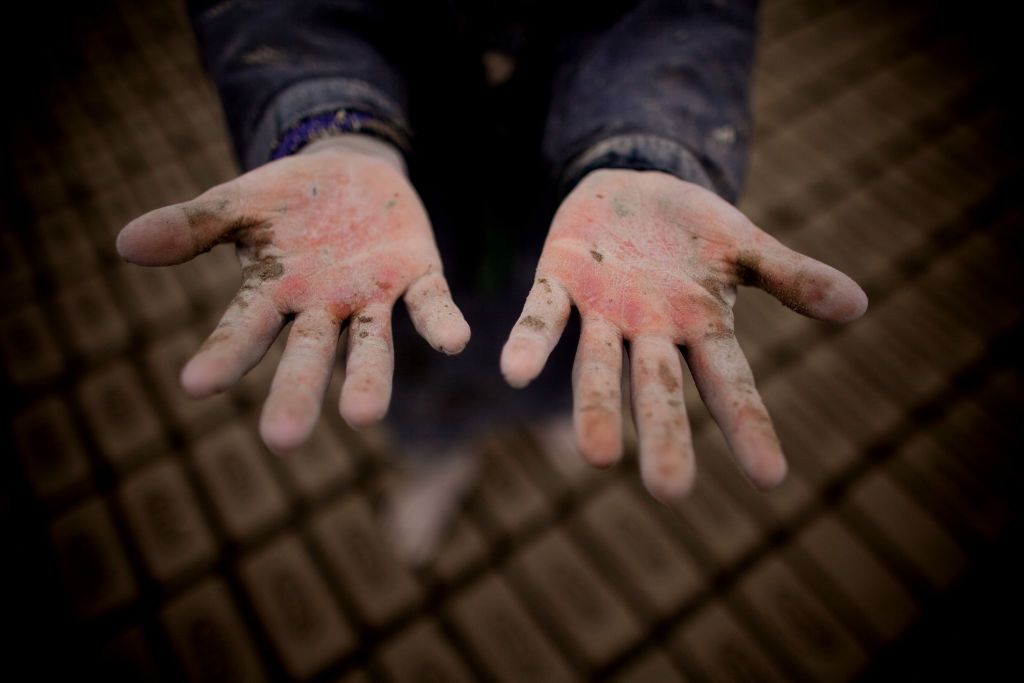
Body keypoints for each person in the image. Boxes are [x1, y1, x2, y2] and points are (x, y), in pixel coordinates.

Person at [115, 0, 867, 563]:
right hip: (406, 198)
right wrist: (332, 119)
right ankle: (443, 453)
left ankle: (548, 413)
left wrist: (646, 150)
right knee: (419, 362)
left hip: (576, 202)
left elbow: (684, 12)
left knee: (580, 339)